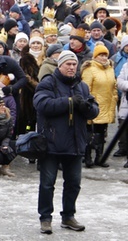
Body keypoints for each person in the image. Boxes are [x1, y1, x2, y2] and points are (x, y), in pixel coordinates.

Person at [33, 50, 99, 234]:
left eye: (74, 64)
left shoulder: (82, 86)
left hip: (75, 142)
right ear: (60, 65)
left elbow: (95, 110)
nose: (71, 67)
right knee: (47, 184)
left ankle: (68, 216)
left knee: (74, 183)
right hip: (51, 142)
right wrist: (69, 102)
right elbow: (41, 104)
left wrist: (87, 107)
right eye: (68, 64)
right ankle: (45, 218)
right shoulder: (48, 82)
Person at [80, 44, 117, 168]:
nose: (104, 57)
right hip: (94, 106)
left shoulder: (110, 68)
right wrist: (88, 104)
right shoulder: (90, 69)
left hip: (106, 105)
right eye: (101, 55)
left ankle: (99, 157)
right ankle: (88, 156)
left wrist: (114, 99)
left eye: (105, 55)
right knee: (90, 132)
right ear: (95, 56)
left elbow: (114, 86)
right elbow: (85, 88)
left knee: (101, 133)